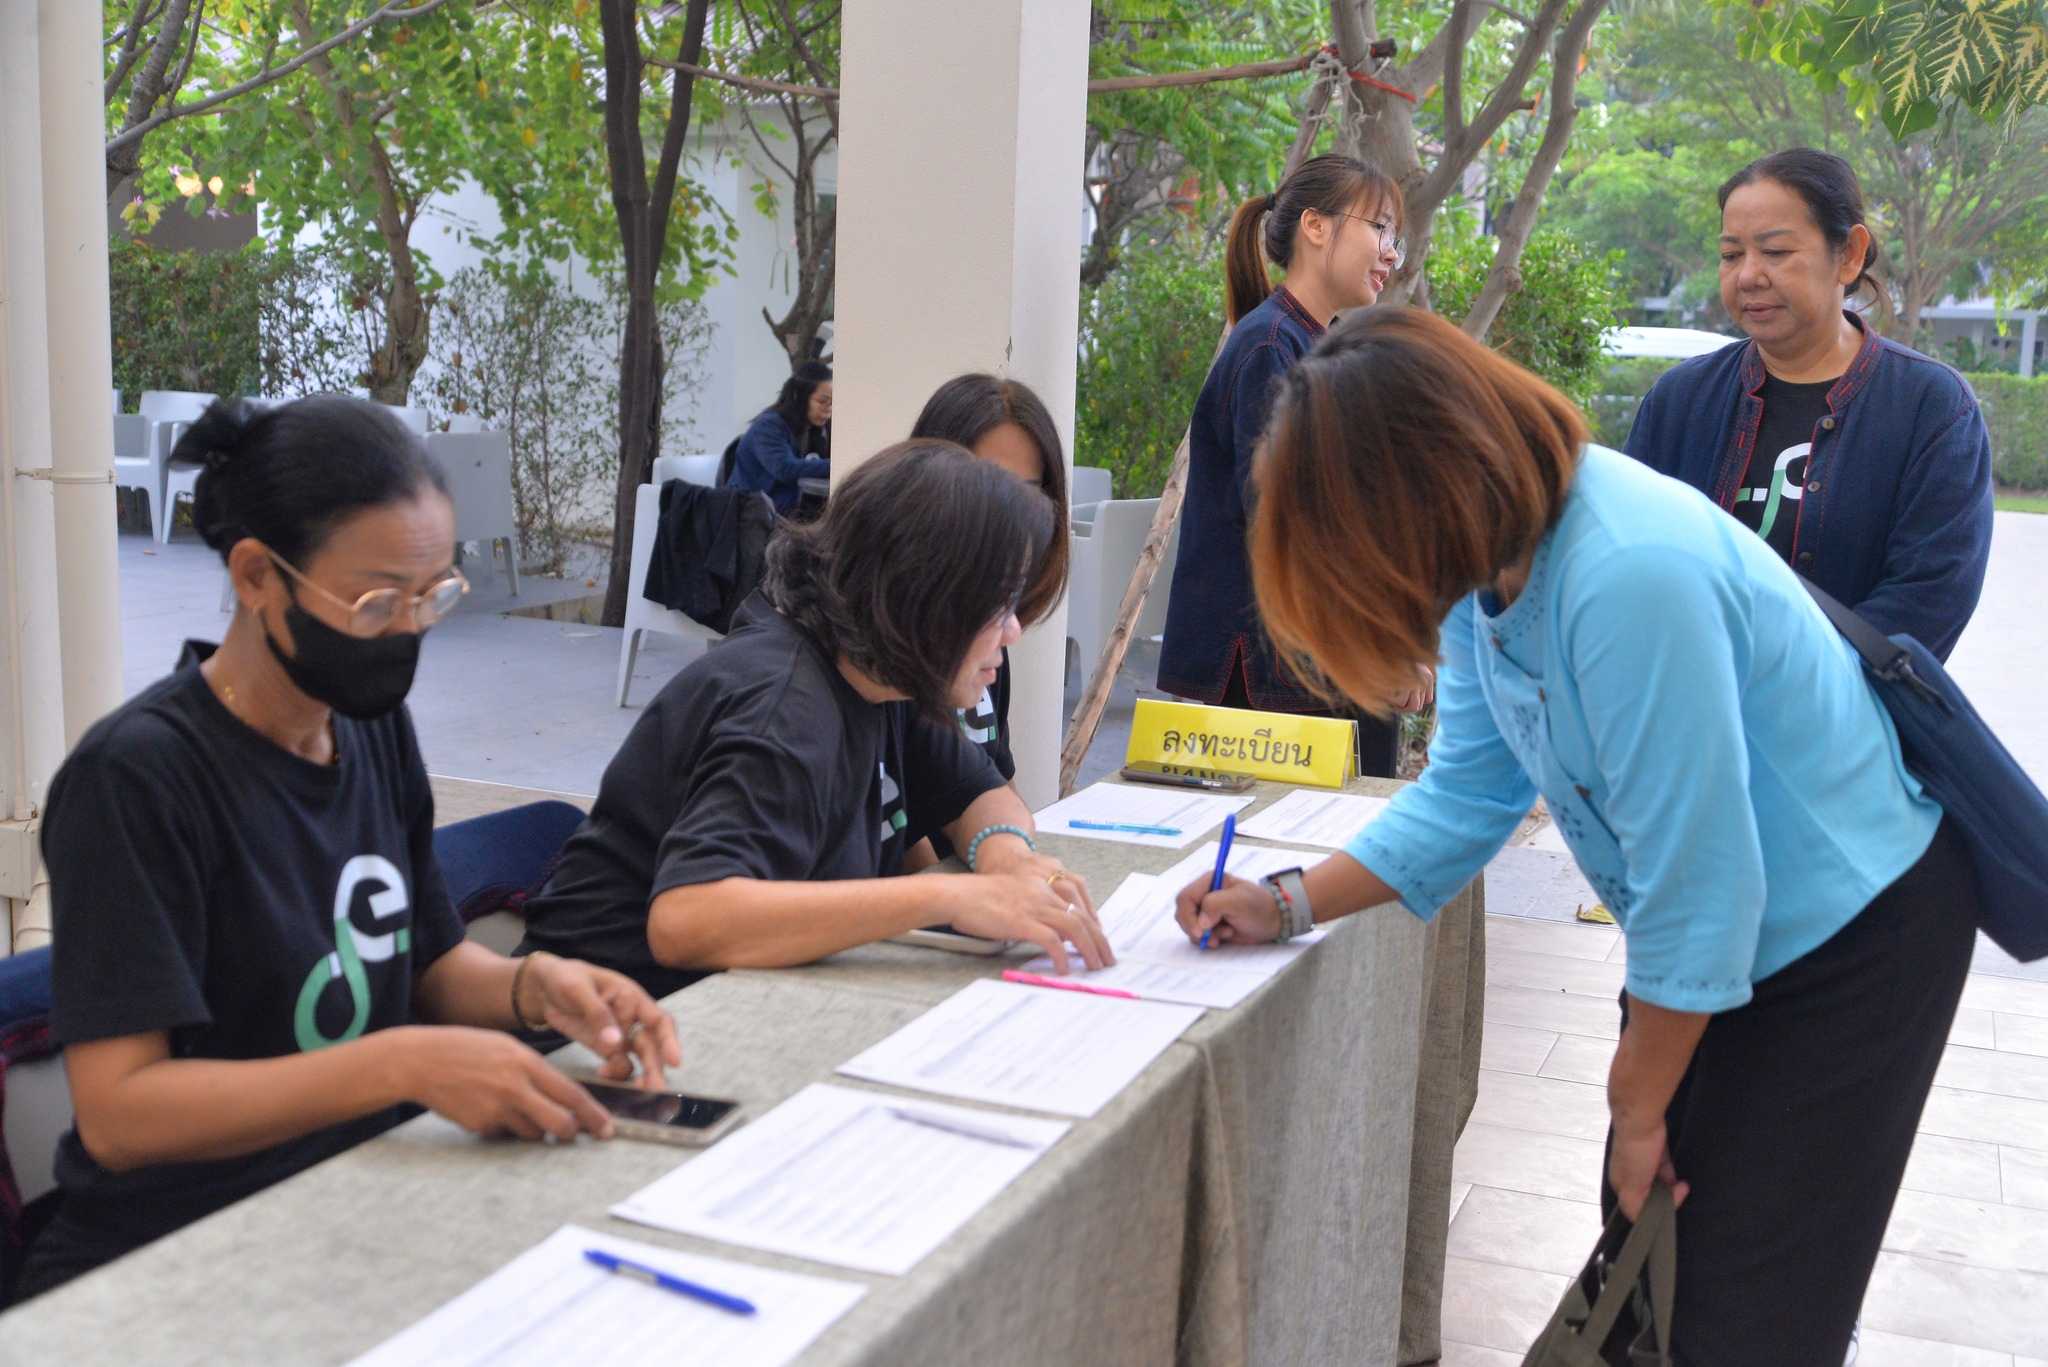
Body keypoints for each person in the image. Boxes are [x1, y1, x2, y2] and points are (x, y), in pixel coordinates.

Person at [1178, 307, 1975, 1366]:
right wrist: (1285, 899)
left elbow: (1701, 890)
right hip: (1719, 932)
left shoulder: (1622, 571)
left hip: (1850, 938)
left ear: (1408, 492)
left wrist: (1636, 1100)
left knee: (1740, 1304)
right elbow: (1466, 793)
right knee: (1653, 1265)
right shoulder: (1486, 564)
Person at [17, 397, 681, 1299]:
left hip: (354, 1196)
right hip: (173, 1256)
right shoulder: (137, 781)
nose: (409, 629)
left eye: (434, 594)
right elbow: (122, 1113)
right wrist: (403, 1063)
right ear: (258, 576)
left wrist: (539, 988)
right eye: (375, 601)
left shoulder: (368, 729)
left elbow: (431, 966)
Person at [517, 441, 1111, 998]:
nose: (1014, 630)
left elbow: (983, 794)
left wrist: (1007, 862)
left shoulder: (882, 678)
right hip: (607, 1037)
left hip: (733, 1008)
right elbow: (687, 920)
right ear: (928, 599)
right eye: (999, 605)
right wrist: (948, 895)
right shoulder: (784, 708)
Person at [1626, 147, 1993, 661]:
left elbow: (1929, 599)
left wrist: (1787, 686)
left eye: (1775, 252)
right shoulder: (1679, 400)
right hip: (1691, 711)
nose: (1748, 275)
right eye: (1731, 255)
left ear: (1849, 254)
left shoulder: (1930, 407)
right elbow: (1629, 558)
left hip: (1845, 723)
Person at [1155, 153, 1421, 777]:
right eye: (1378, 228)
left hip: (1299, 664)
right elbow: (1290, 524)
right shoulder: (1273, 346)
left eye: (1395, 236)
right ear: (1317, 227)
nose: (1390, 252)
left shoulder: (1306, 343)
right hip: (1266, 677)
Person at [905, 373, 1070, 860]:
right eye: (989, 485)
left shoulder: (984, 637)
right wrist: (948, 898)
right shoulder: (874, 654)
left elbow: (991, 785)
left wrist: (1021, 864)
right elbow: (897, 833)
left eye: (1031, 492)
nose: (1012, 514)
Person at [729, 361, 833, 515]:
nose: (829, 409)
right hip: (750, 517)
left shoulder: (813, 428)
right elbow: (785, 468)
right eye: (823, 401)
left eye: (832, 403)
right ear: (799, 397)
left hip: (783, 513)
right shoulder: (768, 426)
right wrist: (837, 464)